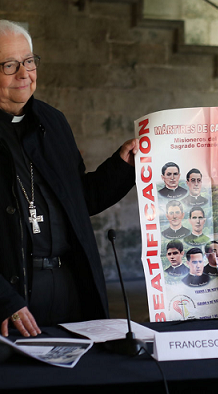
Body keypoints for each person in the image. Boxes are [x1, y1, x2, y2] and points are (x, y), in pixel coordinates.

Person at [0, 20, 139, 337]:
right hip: (15, 294)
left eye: (29, 61)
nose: (24, 74)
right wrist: (3, 300)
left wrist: (123, 165)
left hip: (70, 286)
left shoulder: (52, 121)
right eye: (10, 65)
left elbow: (80, 200)